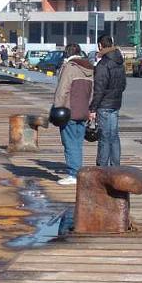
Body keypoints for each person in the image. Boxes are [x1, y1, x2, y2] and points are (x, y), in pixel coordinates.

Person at [52, 43, 93, 185]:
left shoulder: (69, 67)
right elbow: (92, 92)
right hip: (83, 111)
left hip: (69, 111)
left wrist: (57, 108)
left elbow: (62, 90)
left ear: (67, 53)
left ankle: (73, 174)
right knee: (77, 143)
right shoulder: (89, 68)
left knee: (69, 143)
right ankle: (77, 171)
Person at [89, 34, 126, 167]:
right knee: (114, 136)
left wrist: (92, 109)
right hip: (115, 104)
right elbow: (123, 85)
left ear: (100, 45)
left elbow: (99, 89)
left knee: (104, 137)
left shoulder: (103, 65)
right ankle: (115, 166)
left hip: (104, 105)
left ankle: (102, 168)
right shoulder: (119, 62)